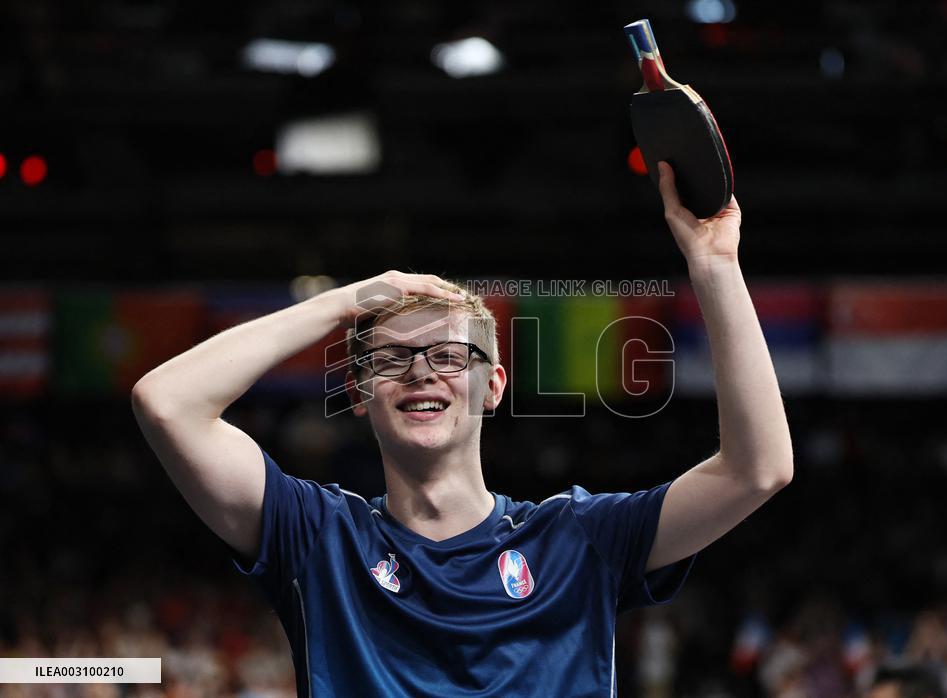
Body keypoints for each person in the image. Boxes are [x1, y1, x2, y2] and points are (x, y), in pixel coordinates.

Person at [132, 161, 794, 696]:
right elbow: (167, 402)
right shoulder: (317, 537)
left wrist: (716, 267)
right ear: (358, 393)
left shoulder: (579, 539)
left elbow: (757, 469)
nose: (421, 372)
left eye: (450, 356)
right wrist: (345, 301)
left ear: (493, 386)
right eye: (392, 359)